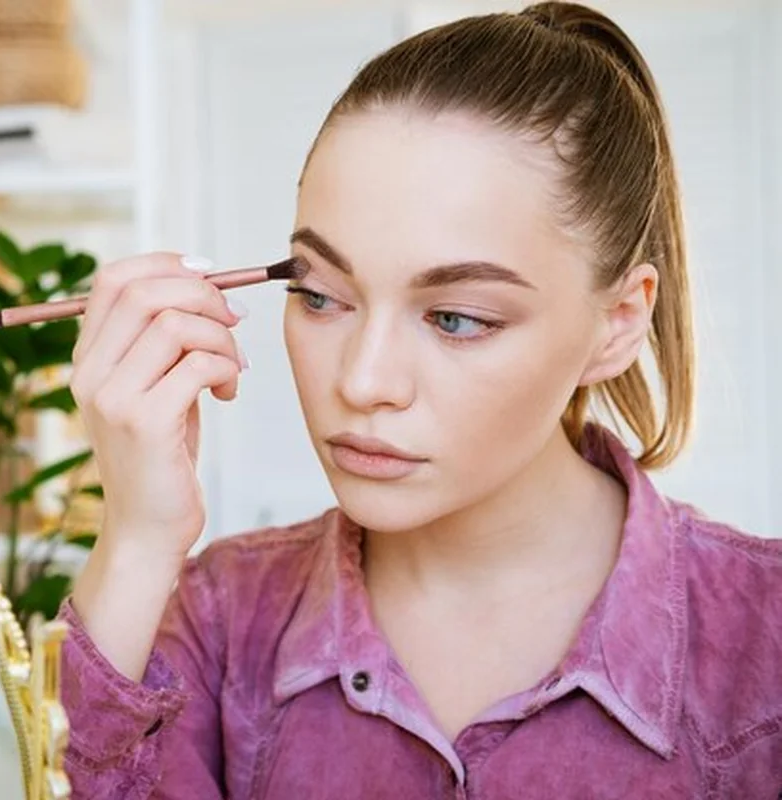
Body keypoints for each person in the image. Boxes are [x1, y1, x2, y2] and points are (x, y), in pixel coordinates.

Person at [55, 3, 782, 797]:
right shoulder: (214, 620)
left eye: (456, 318)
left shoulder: (764, 640)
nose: (363, 382)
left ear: (618, 324)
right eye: (322, 296)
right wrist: (137, 540)